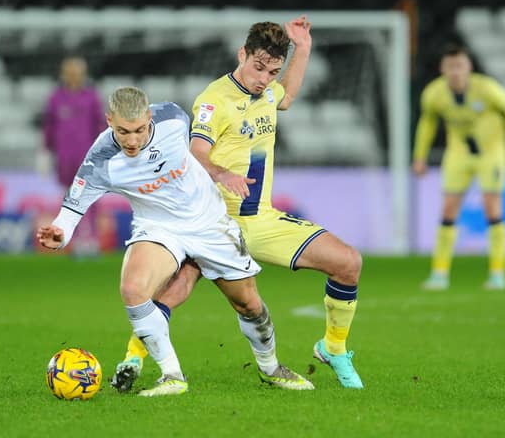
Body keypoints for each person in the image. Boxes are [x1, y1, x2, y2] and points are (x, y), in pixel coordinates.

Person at [113, 16, 364, 391]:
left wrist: (304, 49)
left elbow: (289, 96)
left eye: (273, 71)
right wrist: (221, 173)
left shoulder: (267, 93)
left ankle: (333, 348)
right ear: (242, 54)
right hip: (212, 223)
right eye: (258, 67)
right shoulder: (214, 100)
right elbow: (195, 151)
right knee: (176, 288)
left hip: (260, 220)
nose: (264, 78)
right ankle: (132, 359)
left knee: (348, 263)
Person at [37, 86, 314, 397]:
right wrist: (60, 234)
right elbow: (72, 208)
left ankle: (270, 367)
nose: (132, 140)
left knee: (248, 304)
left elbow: (203, 147)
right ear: (109, 120)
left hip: (209, 222)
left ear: (150, 118)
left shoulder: (173, 117)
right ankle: (172, 375)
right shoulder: (100, 160)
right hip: (158, 228)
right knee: (133, 289)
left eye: (140, 130)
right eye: (123, 131)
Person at [413, 43, 505, 291]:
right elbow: (428, 123)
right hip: (458, 154)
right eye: (450, 66)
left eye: (460, 66)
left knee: (492, 208)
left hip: (492, 154)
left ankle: (498, 273)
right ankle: (439, 273)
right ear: (442, 69)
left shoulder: (487, 89)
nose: (455, 71)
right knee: (448, 211)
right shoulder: (434, 94)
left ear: (469, 67)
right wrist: (419, 156)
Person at [43, 56, 106, 254]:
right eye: (70, 73)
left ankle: (92, 239)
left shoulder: (91, 97)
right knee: (69, 198)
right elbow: (49, 127)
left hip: (88, 157)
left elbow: (100, 126)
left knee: (90, 197)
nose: (73, 77)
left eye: (77, 73)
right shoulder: (56, 98)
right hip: (65, 158)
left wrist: (104, 152)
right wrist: (45, 151)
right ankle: (75, 238)